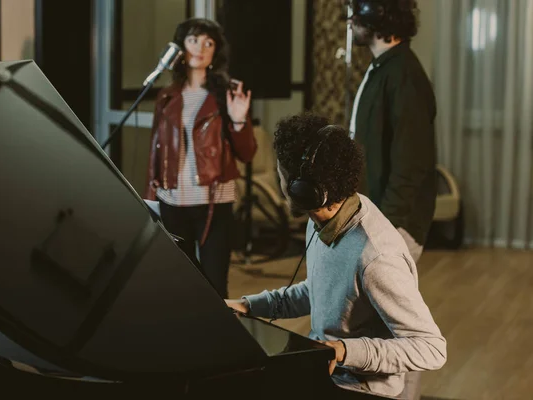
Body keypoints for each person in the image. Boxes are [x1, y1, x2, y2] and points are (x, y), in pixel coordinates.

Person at [226, 113, 446, 399]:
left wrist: (345, 351)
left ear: (301, 190)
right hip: (327, 373)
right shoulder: (321, 218)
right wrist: (247, 306)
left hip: (360, 389)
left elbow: (431, 348)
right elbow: (320, 290)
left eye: (281, 173)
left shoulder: (376, 257)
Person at [144, 18, 256, 298]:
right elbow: (156, 149)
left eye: (209, 42)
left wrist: (239, 121)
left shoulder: (226, 93)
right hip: (172, 201)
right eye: (193, 40)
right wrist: (150, 197)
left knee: (215, 285)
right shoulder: (166, 96)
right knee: (178, 282)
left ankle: (221, 341)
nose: (200, 48)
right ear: (181, 46)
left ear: (215, 52)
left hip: (214, 204)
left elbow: (247, 153)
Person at [348, 0, 437, 264]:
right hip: (377, 219)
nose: (350, 20)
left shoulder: (403, 74)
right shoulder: (381, 68)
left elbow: (411, 160)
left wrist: (385, 224)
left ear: (377, 15)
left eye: (357, 13)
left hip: (393, 225)